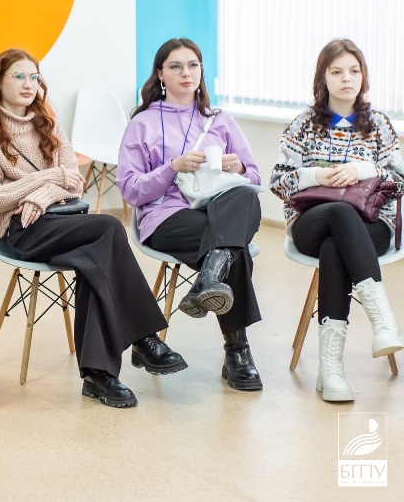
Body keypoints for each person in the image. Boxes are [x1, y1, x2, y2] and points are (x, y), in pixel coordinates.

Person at [0, 49, 186, 408]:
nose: (28, 84)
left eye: (34, 77)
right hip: (24, 230)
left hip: (61, 222)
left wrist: (41, 194)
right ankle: (145, 338)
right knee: (108, 228)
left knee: (95, 256)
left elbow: (75, 183)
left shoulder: (49, 124)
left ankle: (99, 375)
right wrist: (49, 179)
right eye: (19, 76)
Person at [117, 37, 264, 391]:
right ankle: (237, 351)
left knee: (244, 197)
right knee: (234, 248)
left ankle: (210, 276)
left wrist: (237, 166)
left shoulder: (220, 120)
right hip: (166, 217)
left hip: (218, 210)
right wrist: (172, 168)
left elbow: (255, 178)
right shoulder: (142, 123)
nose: (186, 73)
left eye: (193, 65)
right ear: (160, 74)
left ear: (201, 71)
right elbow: (130, 189)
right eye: (176, 66)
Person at [270, 39, 404, 402]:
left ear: (363, 76)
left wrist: (364, 169)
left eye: (354, 71)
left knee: (336, 248)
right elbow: (278, 183)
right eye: (337, 71)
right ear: (323, 78)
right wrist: (316, 176)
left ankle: (330, 370)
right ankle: (383, 321)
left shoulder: (379, 124)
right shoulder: (303, 125)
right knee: (340, 215)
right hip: (311, 223)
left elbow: (400, 180)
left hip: (373, 224)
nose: (347, 78)